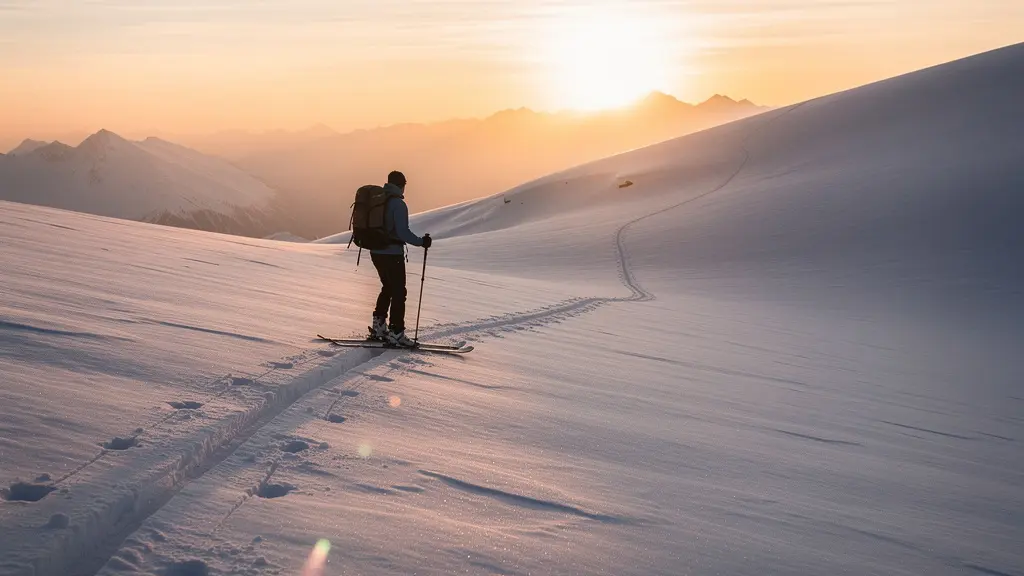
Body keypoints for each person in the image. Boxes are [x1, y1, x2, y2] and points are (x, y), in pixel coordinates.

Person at [369, 170, 431, 346]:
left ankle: (379, 327)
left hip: (375, 252)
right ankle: (396, 333)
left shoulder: (379, 200)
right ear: (401, 185)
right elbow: (403, 232)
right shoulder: (398, 204)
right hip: (392, 254)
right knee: (398, 292)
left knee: (387, 287)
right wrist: (422, 242)